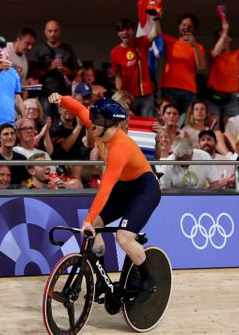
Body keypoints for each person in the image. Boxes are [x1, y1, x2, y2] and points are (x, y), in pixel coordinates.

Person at [48, 92, 160, 304]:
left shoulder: (121, 147)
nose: (92, 121)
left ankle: (149, 279)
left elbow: (106, 188)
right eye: (94, 117)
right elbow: (79, 108)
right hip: (126, 186)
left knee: (123, 237)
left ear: (109, 123)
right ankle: (101, 279)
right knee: (93, 232)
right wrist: (60, 99)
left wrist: (88, 219)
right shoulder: (98, 128)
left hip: (145, 188)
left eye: (96, 119)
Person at [205, 6, 239, 128]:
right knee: (213, 129)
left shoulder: (237, 54)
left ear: (230, 39)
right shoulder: (213, 53)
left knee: (232, 130)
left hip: (231, 98)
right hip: (214, 96)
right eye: (219, 37)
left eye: (226, 36)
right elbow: (215, 52)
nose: (222, 39)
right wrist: (224, 32)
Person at [111, 16, 161, 117]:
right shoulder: (115, 52)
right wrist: (119, 95)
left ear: (133, 30)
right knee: (127, 123)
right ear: (118, 33)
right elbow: (118, 76)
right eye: (121, 30)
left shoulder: (141, 42)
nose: (125, 32)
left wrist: (156, 19)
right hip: (128, 96)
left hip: (145, 94)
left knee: (147, 124)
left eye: (128, 29)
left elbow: (156, 33)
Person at [160, 13, 206, 115]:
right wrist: (154, 17)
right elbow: (155, 33)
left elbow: (201, 66)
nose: (186, 28)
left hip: (189, 90)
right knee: (167, 119)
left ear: (194, 29)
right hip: (170, 87)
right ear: (179, 26)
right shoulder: (170, 41)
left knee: (187, 121)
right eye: (184, 25)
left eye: (190, 26)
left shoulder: (198, 47)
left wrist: (194, 46)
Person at [31, 20, 80, 96]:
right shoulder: (39, 49)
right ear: (45, 32)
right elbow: (34, 74)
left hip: (64, 92)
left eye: (55, 31)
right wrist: (50, 67)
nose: (53, 34)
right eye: (50, 31)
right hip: (45, 93)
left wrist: (67, 71)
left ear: (60, 32)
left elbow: (76, 71)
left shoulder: (67, 48)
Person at [158, 138, 222, 190]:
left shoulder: (204, 157)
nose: (181, 162)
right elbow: (165, 190)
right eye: (178, 158)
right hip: (177, 199)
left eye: (184, 158)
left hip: (201, 197)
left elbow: (215, 183)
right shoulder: (167, 164)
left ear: (192, 153)